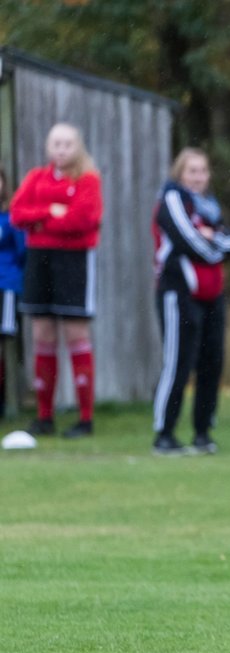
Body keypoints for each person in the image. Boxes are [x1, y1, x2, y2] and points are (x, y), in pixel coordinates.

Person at [9, 123, 103, 438]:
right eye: (56, 144)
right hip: (40, 261)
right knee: (42, 335)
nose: (61, 149)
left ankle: (86, 418)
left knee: (76, 334)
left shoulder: (88, 180)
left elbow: (84, 219)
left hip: (73, 262)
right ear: (48, 147)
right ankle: (44, 416)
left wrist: (44, 221)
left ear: (77, 147)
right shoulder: (36, 177)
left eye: (67, 144)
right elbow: (18, 214)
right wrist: (51, 210)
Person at [151, 147, 230, 455]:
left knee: (212, 362)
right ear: (180, 173)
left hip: (212, 294)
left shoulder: (210, 207)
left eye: (203, 171)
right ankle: (165, 433)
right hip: (179, 292)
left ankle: (203, 431)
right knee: (178, 362)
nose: (198, 177)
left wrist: (213, 238)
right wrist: (216, 245)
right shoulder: (171, 200)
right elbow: (189, 242)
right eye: (192, 171)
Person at [0, 168, 27, 419]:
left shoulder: (10, 218)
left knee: (5, 343)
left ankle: (7, 402)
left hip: (5, 285)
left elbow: (22, 252)